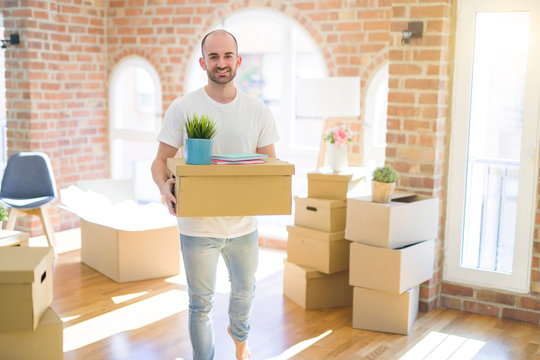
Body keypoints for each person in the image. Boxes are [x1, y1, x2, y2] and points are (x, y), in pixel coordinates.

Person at [151, 29, 279, 360]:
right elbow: (160, 162)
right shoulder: (183, 107)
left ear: (238, 61)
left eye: (226, 56)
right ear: (202, 62)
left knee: (245, 293)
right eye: (213, 57)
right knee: (200, 304)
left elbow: (270, 164)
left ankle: (240, 344)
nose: (220, 63)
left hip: (243, 227)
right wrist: (164, 186)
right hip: (197, 227)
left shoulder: (258, 110)